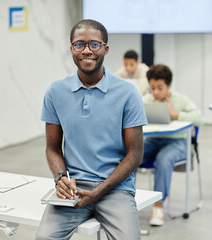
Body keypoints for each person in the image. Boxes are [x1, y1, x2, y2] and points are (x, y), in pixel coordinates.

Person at [36, 19, 147, 240]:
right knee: (44, 238)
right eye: (79, 44)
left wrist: (99, 191)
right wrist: (60, 178)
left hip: (116, 189)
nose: (87, 50)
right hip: (74, 189)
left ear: (105, 49)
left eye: (94, 44)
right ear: (71, 49)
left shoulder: (127, 93)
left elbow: (135, 154)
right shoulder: (55, 92)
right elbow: (53, 148)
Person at [142, 64, 203, 226]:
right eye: (152, 88)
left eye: (160, 88)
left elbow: (199, 118)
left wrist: (175, 114)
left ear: (169, 86)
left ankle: (158, 206)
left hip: (177, 142)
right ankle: (123, 199)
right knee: (131, 154)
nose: (155, 92)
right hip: (152, 140)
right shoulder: (147, 100)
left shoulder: (180, 99)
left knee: (164, 158)